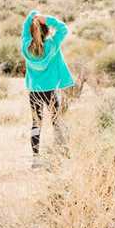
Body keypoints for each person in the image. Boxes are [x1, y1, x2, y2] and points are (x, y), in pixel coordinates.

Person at [21, 9, 75, 167]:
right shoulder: (52, 45)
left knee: (36, 123)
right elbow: (63, 28)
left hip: (34, 91)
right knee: (56, 121)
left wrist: (33, 15)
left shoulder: (25, 46)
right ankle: (63, 152)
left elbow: (25, 27)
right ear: (46, 31)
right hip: (50, 91)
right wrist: (47, 19)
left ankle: (35, 158)